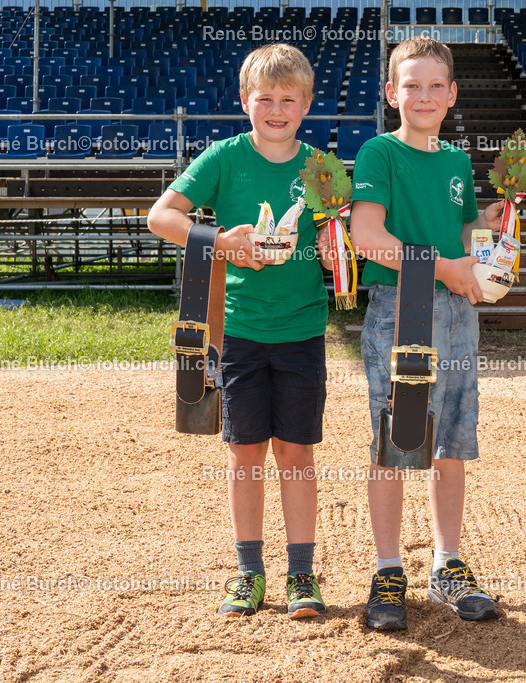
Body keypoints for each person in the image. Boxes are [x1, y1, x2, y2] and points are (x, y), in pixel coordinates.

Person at [148, 43, 333, 619]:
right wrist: (220, 242)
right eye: (264, 99)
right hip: (240, 333)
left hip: (302, 331)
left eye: (288, 100)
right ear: (244, 101)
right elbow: (162, 216)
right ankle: (248, 573)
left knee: (297, 454)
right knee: (244, 453)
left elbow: (341, 243)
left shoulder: (323, 170)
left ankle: (301, 574)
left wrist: (335, 249)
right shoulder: (223, 158)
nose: (276, 109)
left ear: (306, 105)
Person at [349, 36, 503, 631]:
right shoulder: (377, 154)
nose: (424, 95)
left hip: (458, 314)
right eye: (412, 84)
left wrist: (480, 228)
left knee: (453, 441)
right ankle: (388, 568)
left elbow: (459, 236)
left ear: (453, 94)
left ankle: (447, 564)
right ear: (392, 93)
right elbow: (368, 237)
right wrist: (446, 266)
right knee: (395, 440)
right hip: (399, 309)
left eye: (436, 85)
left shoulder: (458, 161)